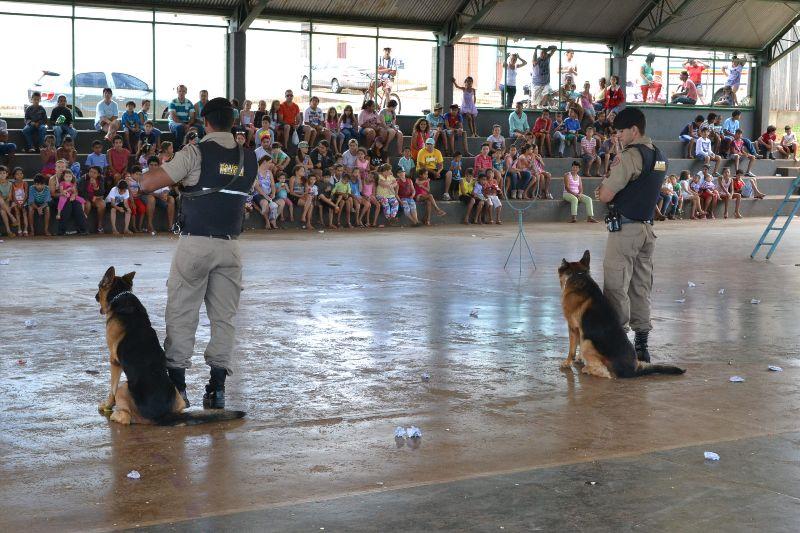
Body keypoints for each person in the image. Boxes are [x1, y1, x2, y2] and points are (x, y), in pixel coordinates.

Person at [139, 97, 257, 410]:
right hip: (230, 247)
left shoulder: (195, 151)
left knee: (182, 312)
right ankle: (216, 389)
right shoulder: (249, 158)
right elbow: (225, 182)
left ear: (205, 122)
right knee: (224, 319)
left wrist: (136, 180)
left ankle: (178, 388)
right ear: (232, 122)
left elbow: (150, 183)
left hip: (195, 244)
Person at [595, 107, 667, 363]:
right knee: (640, 287)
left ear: (634, 130)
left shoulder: (630, 156)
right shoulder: (659, 155)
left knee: (615, 286)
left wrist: (603, 185)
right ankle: (642, 345)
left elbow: (605, 195)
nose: (619, 137)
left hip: (625, 231)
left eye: (621, 132)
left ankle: (617, 345)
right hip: (647, 230)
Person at [168, 85, 196, 150]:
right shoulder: (173, 102)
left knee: (199, 128)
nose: (181, 93)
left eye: (183, 91)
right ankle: (178, 149)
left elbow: (192, 116)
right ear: (177, 92)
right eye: (180, 91)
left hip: (186, 123)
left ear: (186, 92)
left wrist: (188, 125)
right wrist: (184, 125)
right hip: (174, 123)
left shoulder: (189, 102)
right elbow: (174, 117)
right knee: (179, 127)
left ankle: (194, 150)